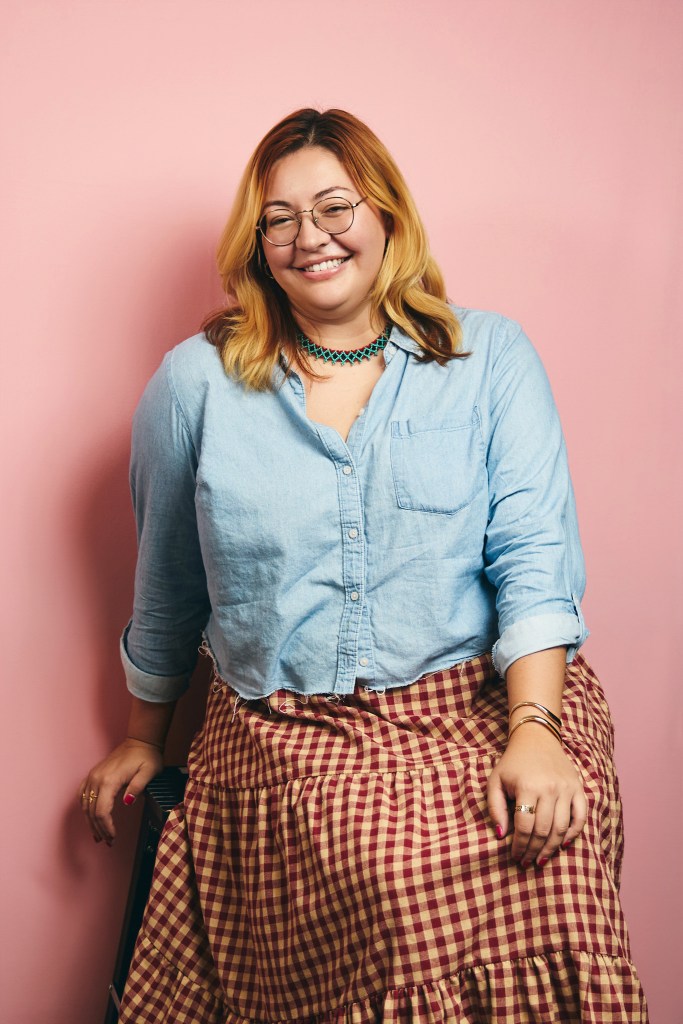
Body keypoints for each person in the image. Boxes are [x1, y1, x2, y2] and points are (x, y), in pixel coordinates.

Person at [80, 108, 649, 1023]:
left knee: (552, 845)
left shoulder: (489, 356)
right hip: (289, 735)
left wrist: (535, 729)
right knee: (387, 875)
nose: (310, 237)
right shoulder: (194, 384)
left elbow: (534, 562)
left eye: (335, 206)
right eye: (279, 218)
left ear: (386, 214)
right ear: (257, 242)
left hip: (479, 703)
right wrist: (148, 734)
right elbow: (169, 590)